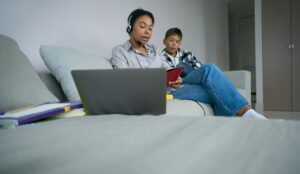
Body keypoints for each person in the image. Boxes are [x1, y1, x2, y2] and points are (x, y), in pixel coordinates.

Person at [111, 8, 266, 119]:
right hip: (156, 96)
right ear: (130, 27)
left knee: (209, 70)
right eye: (142, 26)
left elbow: (168, 69)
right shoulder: (120, 52)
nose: (147, 32)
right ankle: (247, 114)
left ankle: (245, 113)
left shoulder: (155, 50)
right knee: (212, 88)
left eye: (150, 28)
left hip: (172, 90)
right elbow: (124, 81)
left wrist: (175, 78)